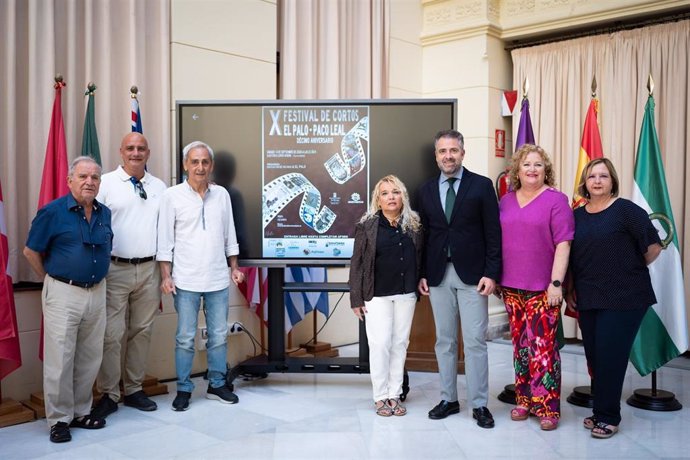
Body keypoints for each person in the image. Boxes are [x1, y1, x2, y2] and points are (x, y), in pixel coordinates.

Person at [567, 158, 661, 439]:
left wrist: (628, 269)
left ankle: (608, 417)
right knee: (595, 356)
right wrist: (571, 289)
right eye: (592, 176)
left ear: (612, 181)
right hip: (588, 295)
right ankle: (600, 411)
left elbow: (653, 247)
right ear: (585, 182)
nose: (597, 181)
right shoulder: (577, 216)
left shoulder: (626, 211)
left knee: (610, 356)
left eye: (603, 176)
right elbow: (574, 257)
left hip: (625, 296)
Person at [23, 156, 112, 443]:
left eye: (95, 177)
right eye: (83, 176)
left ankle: (80, 411)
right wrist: (51, 278)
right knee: (60, 359)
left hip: (97, 291)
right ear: (69, 180)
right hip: (63, 292)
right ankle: (59, 420)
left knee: (89, 357)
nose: (90, 182)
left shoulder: (104, 213)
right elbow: (30, 251)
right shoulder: (52, 212)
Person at [417, 129, 501, 428]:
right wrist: (423, 274)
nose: (448, 156)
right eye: (442, 151)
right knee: (445, 341)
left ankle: (479, 404)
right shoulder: (426, 190)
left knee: (476, 340)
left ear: (463, 153)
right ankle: (449, 399)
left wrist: (492, 273)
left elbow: (493, 233)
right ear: (436, 156)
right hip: (438, 275)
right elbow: (424, 236)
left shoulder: (481, 186)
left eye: (453, 150)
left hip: (473, 276)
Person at [157, 140, 245, 411]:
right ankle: (183, 388)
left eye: (205, 162)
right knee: (185, 337)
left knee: (218, 335)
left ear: (212, 166)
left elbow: (230, 234)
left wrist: (234, 267)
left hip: (218, 279)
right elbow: (164, 241)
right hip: (185, 280)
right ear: (185, 165)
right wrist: (166, 275)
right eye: (194, 161)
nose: (200, 166)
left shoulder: (222, 196)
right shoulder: (171, 195)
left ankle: (217, 384)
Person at [497, 144, 574, 431]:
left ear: (546, 170)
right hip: (511, 287)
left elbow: (564, 244)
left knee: (544, 349)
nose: (532, 169)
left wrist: (556, 284)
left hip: (544, 289)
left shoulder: (557, 200)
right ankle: (524, 399)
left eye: (538, 165)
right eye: (526, 164)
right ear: (517, 170)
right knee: (521, 348)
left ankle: (548, 407)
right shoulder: (505, 201)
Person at [91, 133, 167, 419]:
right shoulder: (106, 183)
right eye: (130, 148)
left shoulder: (159, 186)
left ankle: (134, 388)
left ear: (148, 153)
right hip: (114, 268)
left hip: (149, 270)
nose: (136, 153)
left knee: (142, 331)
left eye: (141, 148)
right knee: (111, 334)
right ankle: (109, 393)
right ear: (121, 152)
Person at [349, 175, 423, 417]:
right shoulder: (366, 226)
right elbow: (357, 264)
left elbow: (420, 257)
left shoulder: (414, 224)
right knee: (380, 345)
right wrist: (356, 298)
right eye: (385, 193)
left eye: (396, 192)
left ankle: (394, 394)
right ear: (378, 200)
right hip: (376, 295)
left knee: (400, 345)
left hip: (406, 294)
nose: (391, 197)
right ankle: (380, 396)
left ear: (403, 197)